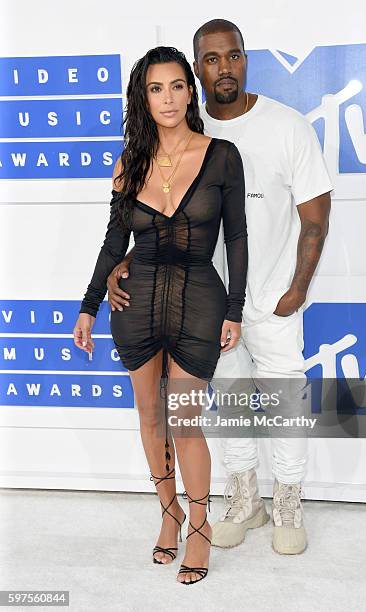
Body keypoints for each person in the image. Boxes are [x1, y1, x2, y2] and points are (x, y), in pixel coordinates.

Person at [106, 20, 333, 556]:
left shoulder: (287, 126)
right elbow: (169, 218)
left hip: (274, 298)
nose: (223, 67)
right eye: (210, 59)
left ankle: (289, 503)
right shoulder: (186, 126)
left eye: (232, 56)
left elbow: (316, 217)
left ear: (245, 59)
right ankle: (244, 500)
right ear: (196, 68)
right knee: (229, 404)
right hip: (207, 303)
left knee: (283, 402)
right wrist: (125, 263)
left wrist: (297, 287)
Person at [73, 46, 248, 584]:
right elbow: (113, 240)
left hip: (200, 299)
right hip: (137, 299)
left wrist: (235, 309)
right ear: (142, 98)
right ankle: (168, 515)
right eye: (156, 88)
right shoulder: (130, 162)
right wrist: (88, 305)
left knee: (184, 420)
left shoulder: (222, 155)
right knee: (150, 416)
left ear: (190, 91)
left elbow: (238, 237)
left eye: (176, 86)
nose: (168, 98)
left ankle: (200, 524)